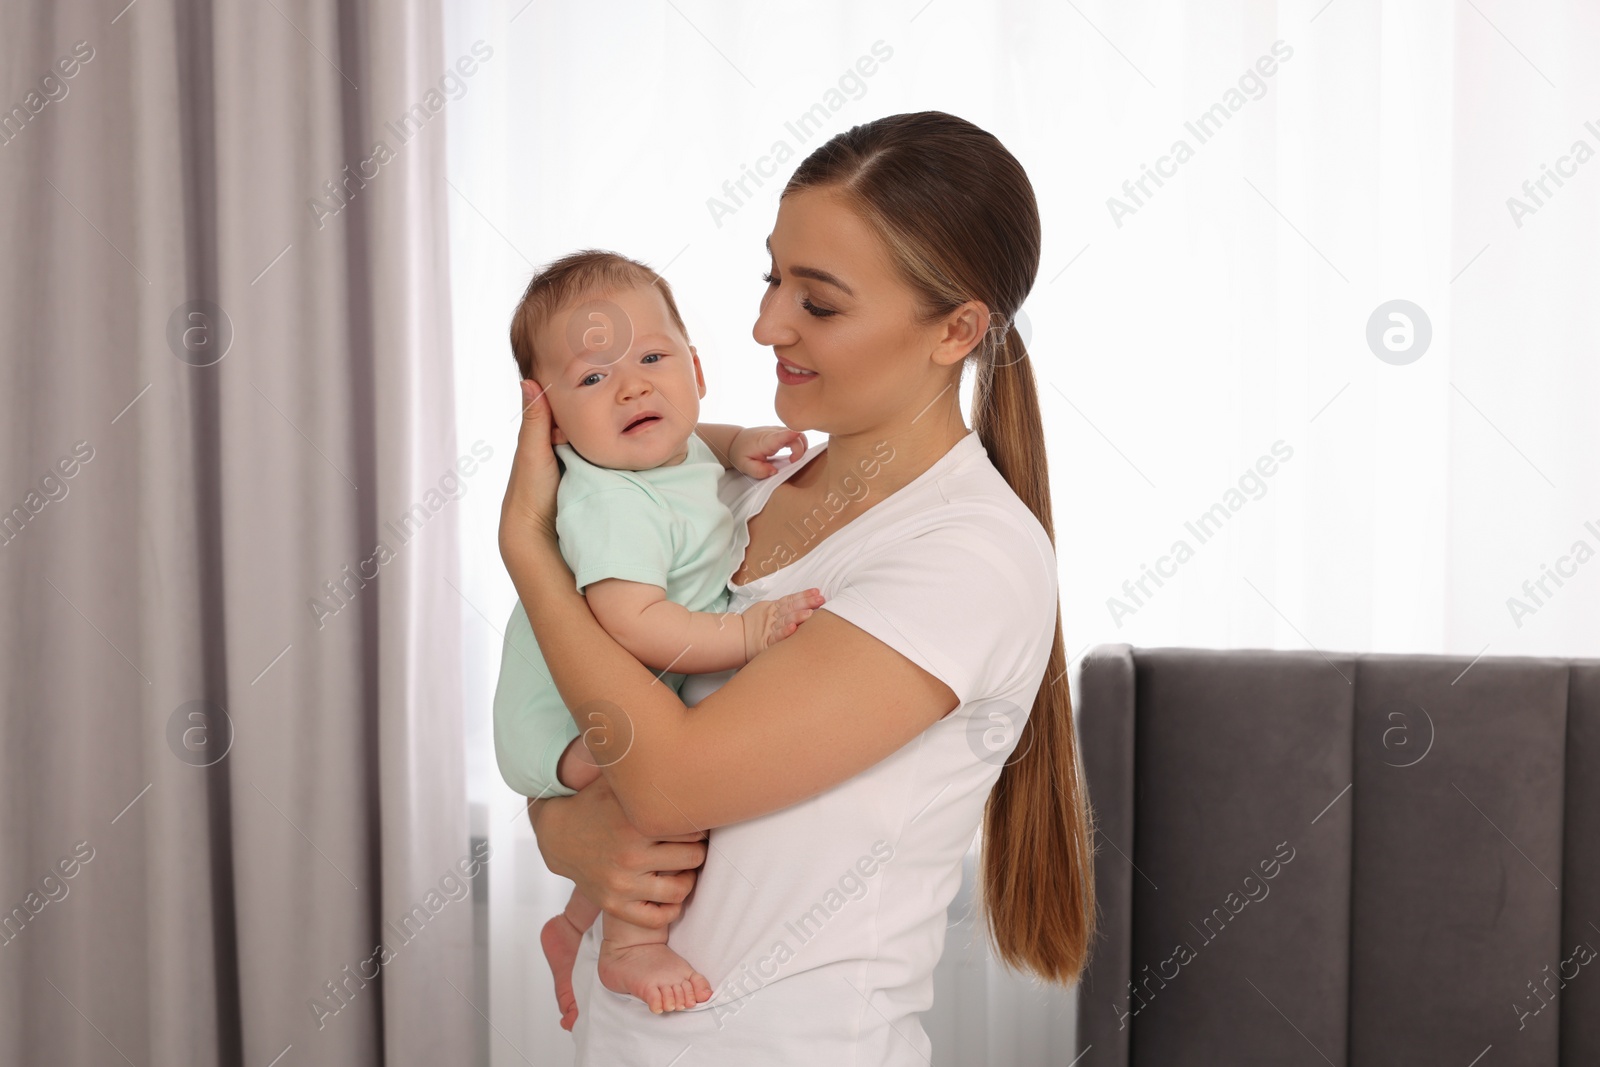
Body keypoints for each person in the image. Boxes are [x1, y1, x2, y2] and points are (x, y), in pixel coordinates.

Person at [498, 110, 1097, 1065]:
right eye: (771, 276)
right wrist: (561, 827)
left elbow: (670, 778)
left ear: (956, 330)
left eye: (817, 302)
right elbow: (581, 723)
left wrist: (528, 551)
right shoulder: (735, 486)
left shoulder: (965, 557)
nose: (765, 323)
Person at [492, 249, 823, 1023]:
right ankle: (628, 946)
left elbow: (684, 434)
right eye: (593, 378)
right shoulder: (612, 504)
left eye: (651, 357)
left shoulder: (663, 450)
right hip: (566, 717)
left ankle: (572, 924)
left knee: (652, 784)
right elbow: (632, 622)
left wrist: (736, 439)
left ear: (696, 368)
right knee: (653, 795)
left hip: (586, 698)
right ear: (551, 427)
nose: (634, 384)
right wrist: (746, 634)